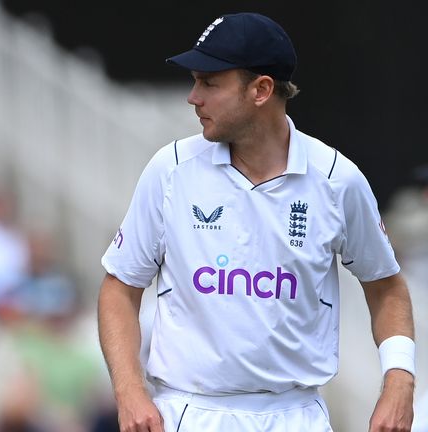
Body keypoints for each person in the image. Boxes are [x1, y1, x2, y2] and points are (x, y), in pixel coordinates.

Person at [97, 13, 415, 432]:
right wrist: (129, 391)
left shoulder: (338, 180)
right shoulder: (170, 169)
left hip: (295, 415)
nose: (193, 97)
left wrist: (399, 382)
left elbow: (386, 288)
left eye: (209, 83)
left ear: (262, 89)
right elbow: (119, 289)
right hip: (188, 413)